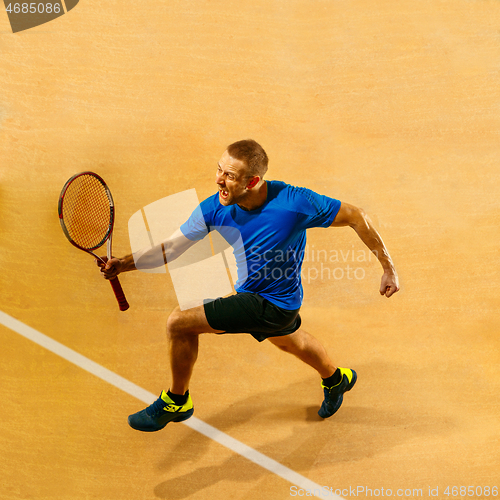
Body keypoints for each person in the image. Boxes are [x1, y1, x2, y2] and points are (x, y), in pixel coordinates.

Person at [99, 139, 399, 432]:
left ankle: (177, 401)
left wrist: (388, 268)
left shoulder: (294, 203)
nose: (219, 180)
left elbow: (356, 216)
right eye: (219, 170)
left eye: (229, 176)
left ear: (253, 180)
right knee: (291, 342)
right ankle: (337, 379)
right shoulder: (214, 208)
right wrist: (124, 264)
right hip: (274, 299)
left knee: (179, 322)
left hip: (272, 303)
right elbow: (173, 247)